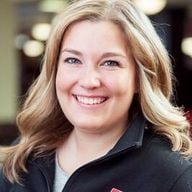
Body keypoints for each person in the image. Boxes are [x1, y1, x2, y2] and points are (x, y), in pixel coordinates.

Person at [0, 0, 192, 191]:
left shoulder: (172, 175)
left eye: (110, 63)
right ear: (54, 70)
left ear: (139, 79)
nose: (89, 81)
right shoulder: (23, 158)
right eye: (73, 60)